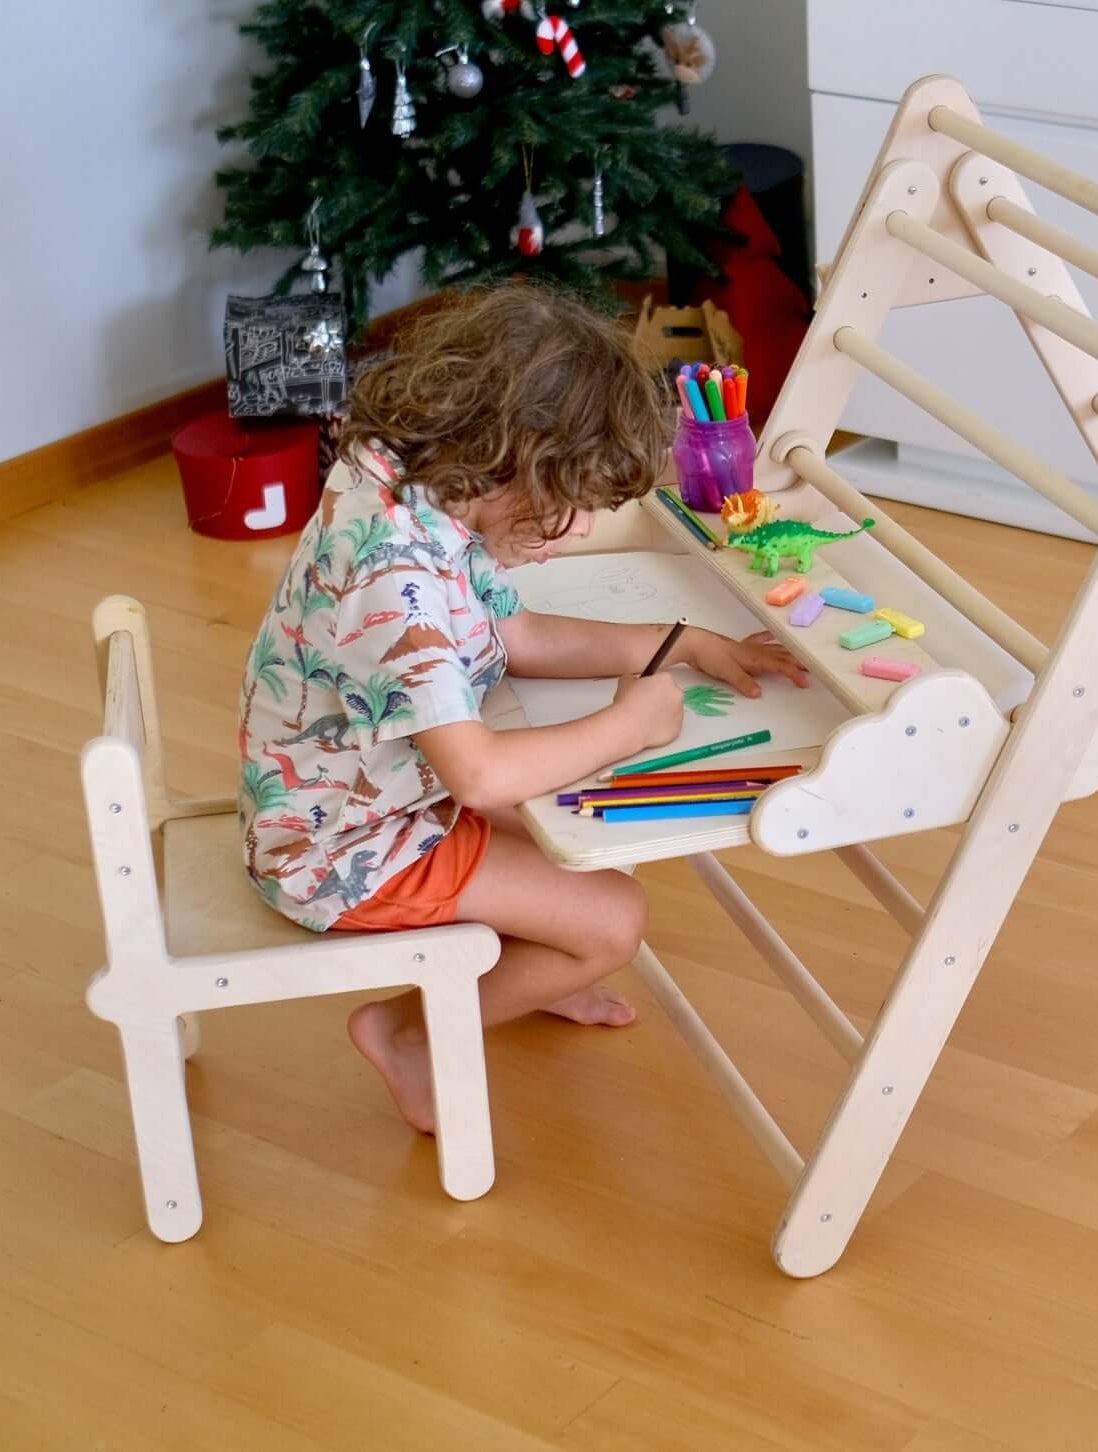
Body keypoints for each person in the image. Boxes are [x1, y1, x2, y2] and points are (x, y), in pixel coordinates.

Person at [238, 286, 806, 1131]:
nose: (576, 532)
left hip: (359, 797)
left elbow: (518, 631)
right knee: (611, 923)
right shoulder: (396, 582)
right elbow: (477, 775)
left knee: (584, 837)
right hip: (340, 850)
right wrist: (627, 725)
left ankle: (532, 974)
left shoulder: (412, 488)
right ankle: (406, 1035)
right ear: (511, 456)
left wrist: (677, 642)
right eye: (569, 503)